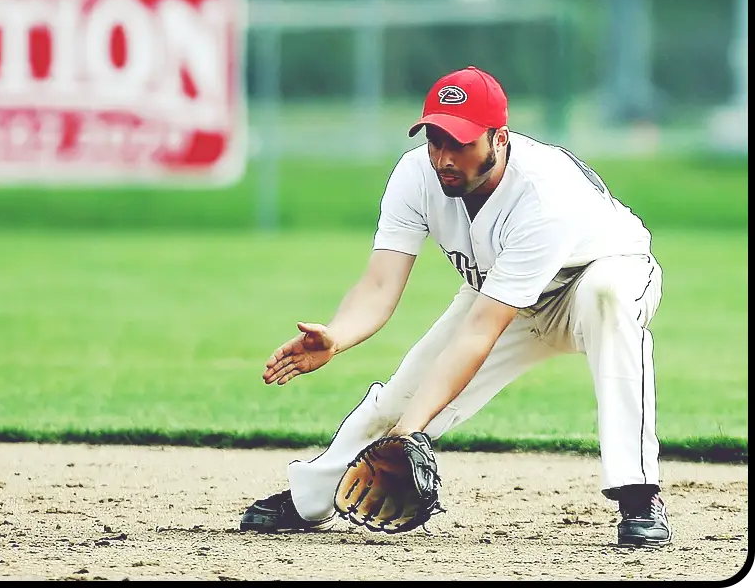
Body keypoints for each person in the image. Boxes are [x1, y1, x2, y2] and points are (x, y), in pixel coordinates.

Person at [239, 66, 672, 548]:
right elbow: (382, 282)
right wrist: (338, 336)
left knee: (606, 298)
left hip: (596, 275)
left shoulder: (546, 195)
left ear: (499, 138)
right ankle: (311, 498)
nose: (444, 157)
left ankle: (638, 493)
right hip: (500, 294)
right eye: (436, 139)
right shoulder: (416, 174)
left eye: (461, 142)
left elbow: (479, 332)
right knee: (402, 399)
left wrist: (409, 435)